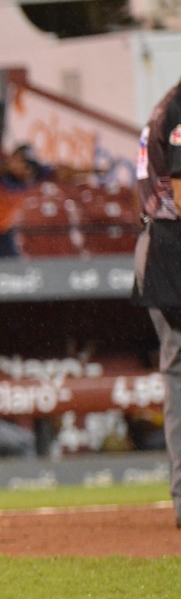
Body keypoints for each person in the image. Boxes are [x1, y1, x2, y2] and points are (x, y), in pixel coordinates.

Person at [131, 74, 181, 528]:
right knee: (180, 373)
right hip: (173, 252)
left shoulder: (170, 102)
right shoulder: (180, 106)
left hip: (164, 246)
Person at [0, 143, 99, 259]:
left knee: (15, 275)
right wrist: (10, 165)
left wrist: (92, 170)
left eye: (28, 164)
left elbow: (62, 173)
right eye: (22, 162)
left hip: (1, 230)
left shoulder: (35, 174)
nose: (25, 168)